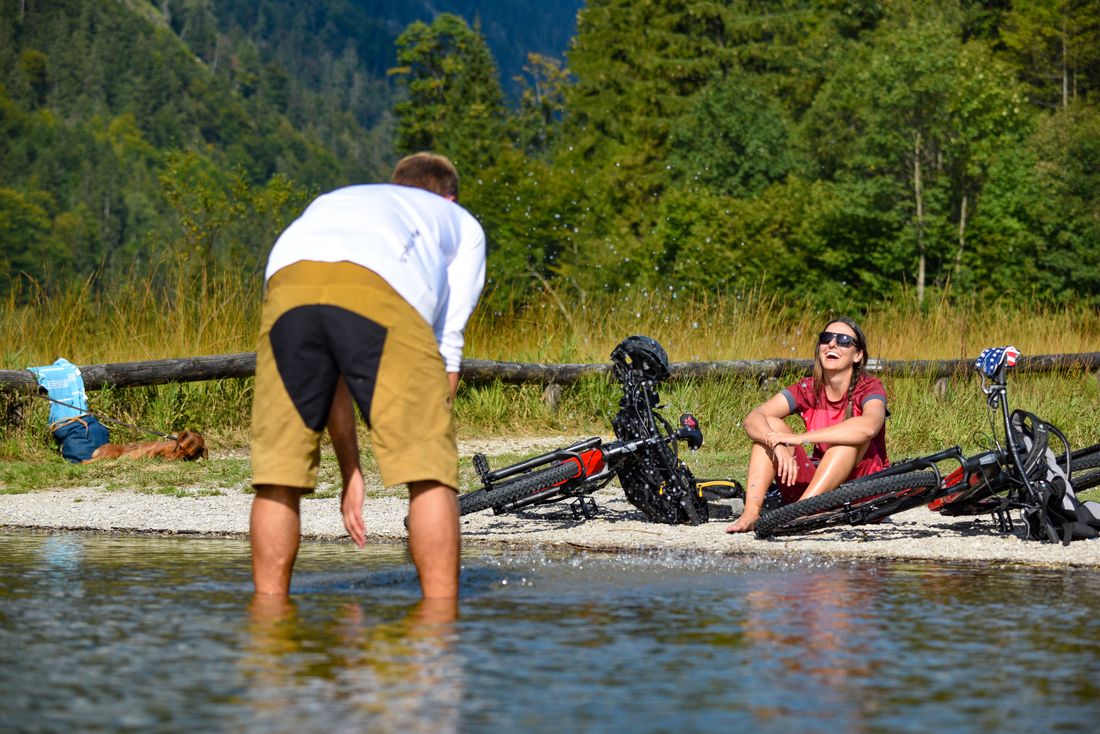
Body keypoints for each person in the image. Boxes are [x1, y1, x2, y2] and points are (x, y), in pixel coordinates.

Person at [249, 152, 486, 598]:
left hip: (288, 275)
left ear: (398, 184)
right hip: (383, 283)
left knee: (278, 476)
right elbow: (447, 348)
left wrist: (351, 469)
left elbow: (333, 371)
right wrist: (428, 440)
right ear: (449, 198)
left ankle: (269, 627)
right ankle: (437, 634)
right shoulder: (462, 225)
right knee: (430, 475)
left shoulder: (339, 201)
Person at [726, 317, 888, 533]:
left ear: (858, 355)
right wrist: (778, 445)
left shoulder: (870, 387)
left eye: (843, 340)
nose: (832, 344)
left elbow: (868, 427)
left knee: (847, 441)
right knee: (771, 426)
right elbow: (753, 418)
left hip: (860, 492)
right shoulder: (808, 388)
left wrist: (800, 438)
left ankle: (800, 514)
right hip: (817, 488)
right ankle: (751, 514)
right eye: (826, 338)